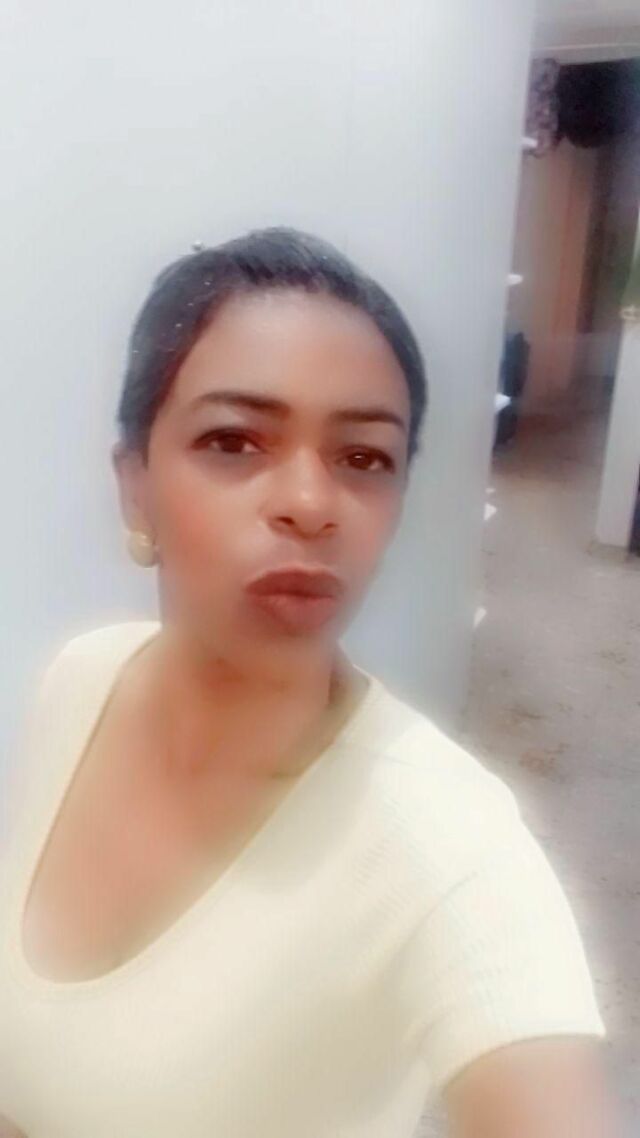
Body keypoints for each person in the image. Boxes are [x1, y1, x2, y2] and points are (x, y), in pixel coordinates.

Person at [0, 228, 615, 1137]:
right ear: (135, 485)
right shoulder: (82, 679)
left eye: (363, 458)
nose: (310, 504)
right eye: (234, 441)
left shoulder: (450, 846)